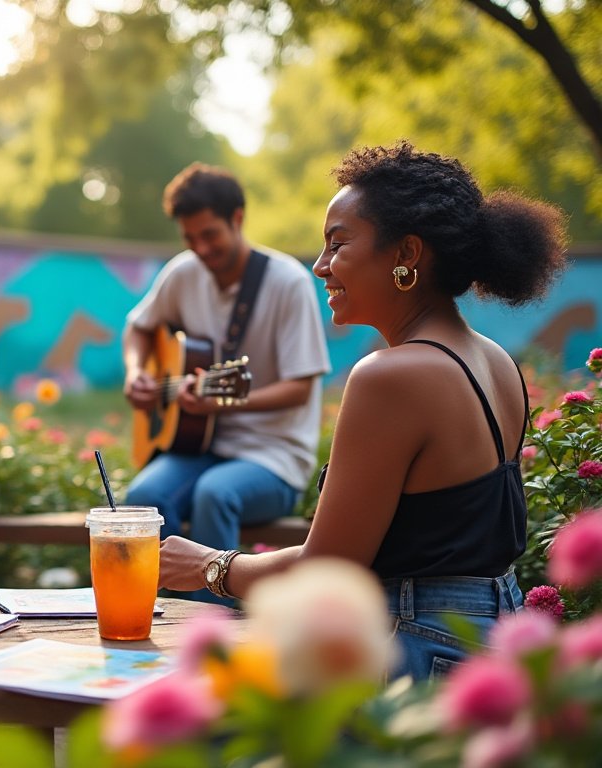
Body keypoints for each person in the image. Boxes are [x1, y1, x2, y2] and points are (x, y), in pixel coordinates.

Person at [159, 141, 569, 679]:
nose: (320, 265)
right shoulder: (495, 361)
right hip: (491, 643)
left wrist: (211, 566)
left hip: (414, 650)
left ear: (406, 255)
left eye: (338, 243)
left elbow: (328, 566)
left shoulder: (390, 376)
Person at [122, 163, 331, 602]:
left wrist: (224, 405)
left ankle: (214, 631)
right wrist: (137, 372)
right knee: (143, 497)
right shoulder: (183, 274)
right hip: (199, 448)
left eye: (210, 235)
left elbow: (300, 387)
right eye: (190, 238)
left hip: (273, 458)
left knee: (214, 494)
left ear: (237, 218)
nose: (200, 248)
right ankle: (146, 611)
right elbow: (138, 327)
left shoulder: (288, 283)